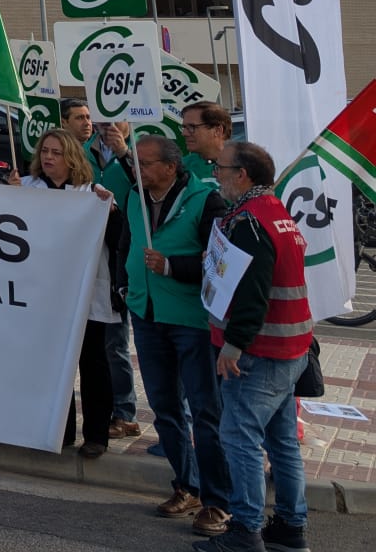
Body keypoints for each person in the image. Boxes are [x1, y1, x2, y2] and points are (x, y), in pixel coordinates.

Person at [201, 141, 312, 552]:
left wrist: (233, 345)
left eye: (221, 167)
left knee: (239, 437)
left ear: (242, 175)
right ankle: (289, 526)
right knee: (281, 441)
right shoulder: (276, 212)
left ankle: (245, 530)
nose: (217, 173)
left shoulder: (248, 221)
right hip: (289, 348)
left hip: (260, 352)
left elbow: (251, 292)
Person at [120, 132, 232, 537]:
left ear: (171, 166)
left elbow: (219, 264)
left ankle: (219, 499)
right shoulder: (135, 195)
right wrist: (124, 285)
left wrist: (171, 268)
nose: (139, 169)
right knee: (165, 406)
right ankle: (187, 486)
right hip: (146, 315)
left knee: (205, 411)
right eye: (137, 162)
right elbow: (126, 244)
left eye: (146, 163)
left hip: (190, 321)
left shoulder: (205, 201)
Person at [10, 129, 123, 456]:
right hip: (43, 295)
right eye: (45, 151)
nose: (48, 157)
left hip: (84, 294)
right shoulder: (26, 188)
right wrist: (9, 196)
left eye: (56, 152)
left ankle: (97, 435)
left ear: (71, 157)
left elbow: (116, 241)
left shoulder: (92, 193)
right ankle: (59, 431)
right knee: (51, 365)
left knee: (93, 363)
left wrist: (110, 212)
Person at [80, 105, 143, 438]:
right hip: (92, 254)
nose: (105, 126)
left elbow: (147, 188)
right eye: (100, 120)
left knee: (116, 340)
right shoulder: (84, 152)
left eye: (113, 120)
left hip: (125, 252)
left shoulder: (139, 152)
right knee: (99, 343)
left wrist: (123, 153)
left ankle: (125, 411)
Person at [180, 102, 234, 185]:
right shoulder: (181, 167)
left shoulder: (245, 165)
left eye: (192, 127)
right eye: (184, 127)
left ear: (217, 130)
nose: (184, 133)